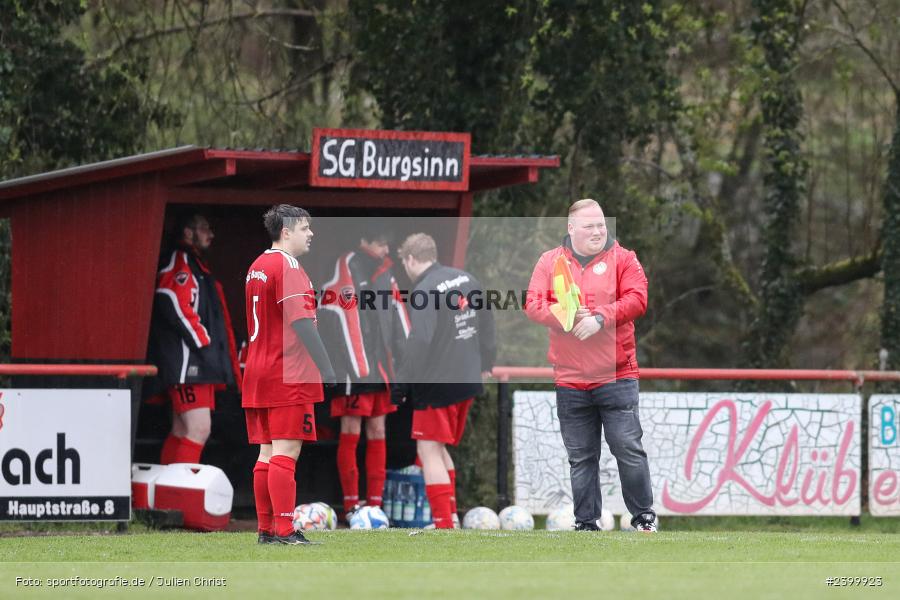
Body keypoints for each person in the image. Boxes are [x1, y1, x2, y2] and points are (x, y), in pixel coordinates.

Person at [524, 198, 657, 532]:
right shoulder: (550, 261)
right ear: (571, 229)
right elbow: (533, 303)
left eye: (601, 225)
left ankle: (644, 518)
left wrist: (600, 317)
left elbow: (637, 299)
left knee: (628, 449)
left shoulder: (624, 258)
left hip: (617, 375)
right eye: (589, 226)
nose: (598, 231)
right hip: (570, 378)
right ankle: (586, 523)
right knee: (581, 457)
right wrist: (567, 317)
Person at [243, 204, 337, 545]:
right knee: (286, 451)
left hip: (258, 370)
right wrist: (327, 368)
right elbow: (302, 323)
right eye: (304, 228)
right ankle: (285, 530)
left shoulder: (257, 266)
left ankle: (266, 530)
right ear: (286, 231)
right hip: (288, 371)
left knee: (266, 452)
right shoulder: (289, 267)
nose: (311, 233)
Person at [391, 233, 496, 529]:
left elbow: (420, 341)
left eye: (404, 263)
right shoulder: (467, 279)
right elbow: (487, 321)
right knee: (439, 448)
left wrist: (402, 383)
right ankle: (450, 518)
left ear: (411, 259)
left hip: (437, 384)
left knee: (427, 451)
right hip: (467, 380)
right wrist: (486, 363)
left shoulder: (424, 289)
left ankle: (443, 525)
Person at [319, 228, 410, 519]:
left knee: (378, 431)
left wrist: (406, 363)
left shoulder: (386, 272)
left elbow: (399, 316)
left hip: (381, 370)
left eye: (387, 244)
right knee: (351, 431)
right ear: (364, 241)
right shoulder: (347, 264)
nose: (386, 250)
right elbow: (337, 314)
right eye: (381, 243)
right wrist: (353, 364)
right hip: (353, 371)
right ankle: (351, 506)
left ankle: (374, 505)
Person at [147, 213, 241, 465]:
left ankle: (169, 488)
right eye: (204, 229)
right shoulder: (181, 260)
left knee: (181, 430)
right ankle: (182, 489)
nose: (211, 234)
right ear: (188, 233)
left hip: (196, 365)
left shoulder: (196, 264)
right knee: (199, 429)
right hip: (189, 365)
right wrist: (203, 342)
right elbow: (170, 297)